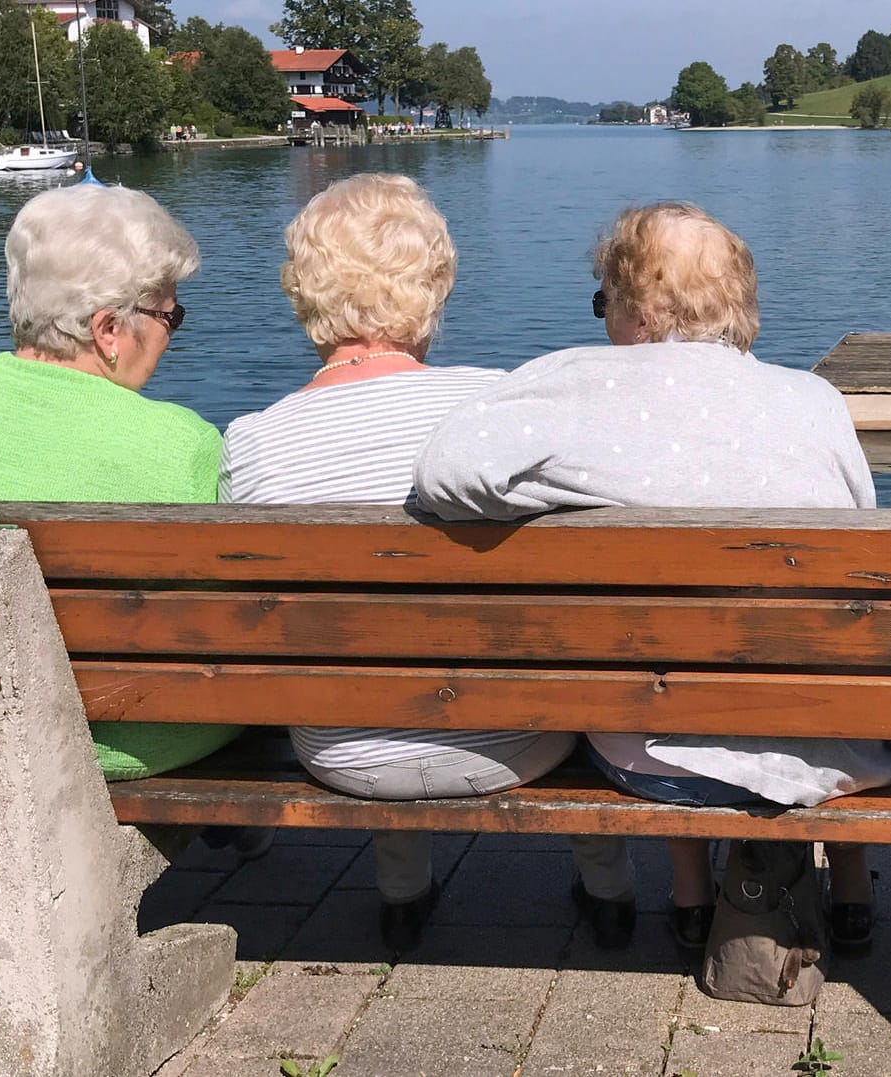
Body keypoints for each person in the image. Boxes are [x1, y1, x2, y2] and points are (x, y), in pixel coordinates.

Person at [414, 201, 891, 954]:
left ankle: (689, 899)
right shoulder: (815, 400)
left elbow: (444, 476)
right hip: (833, 750)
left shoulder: (577, 381)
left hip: (652, 763)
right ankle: (848, 889)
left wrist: (569, 492)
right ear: (739, 303)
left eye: (603, 302)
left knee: (657, 678)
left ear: (636, 308)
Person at [218, 173, 571, 953]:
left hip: (342, 750)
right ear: (432, 284)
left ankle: (402, 893)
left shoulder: (255, 439)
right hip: (518, 742)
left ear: (303, 293)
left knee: (357, 642)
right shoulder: (505, 404)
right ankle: (609, 888)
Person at [0, 183, 244, 781]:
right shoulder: (184, 443)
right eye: (170, 315)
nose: (173, 333)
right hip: (132, 739)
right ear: (108, 331)